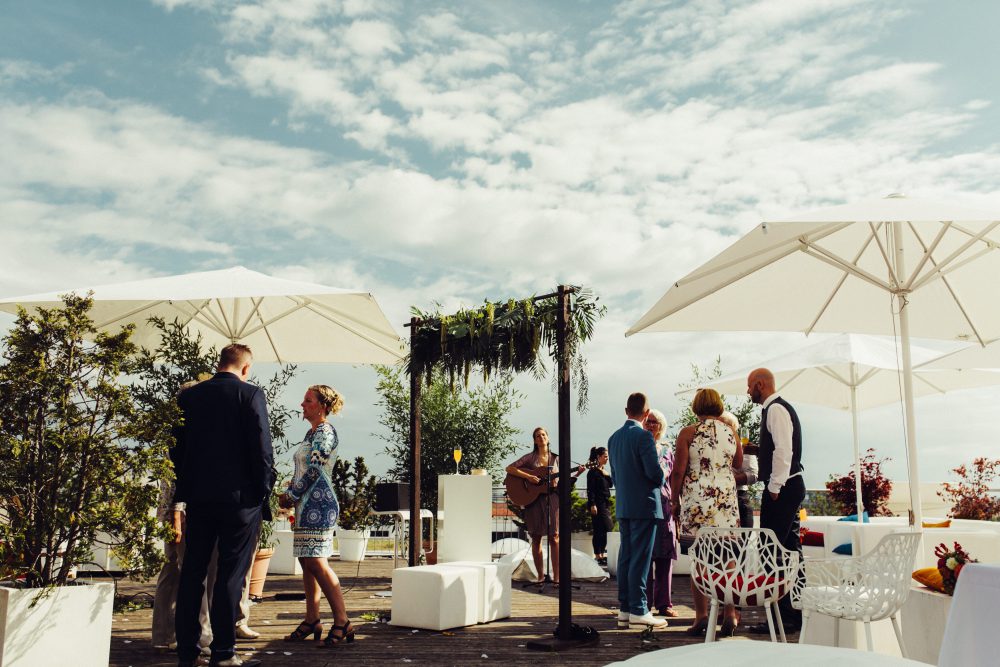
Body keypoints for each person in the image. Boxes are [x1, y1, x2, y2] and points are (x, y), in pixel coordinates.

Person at [173, 344, 274, 667]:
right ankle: (223, 652)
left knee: (192, 573)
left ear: (219, 364)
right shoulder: (250, 394)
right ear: (246, 368)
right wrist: (262, 492)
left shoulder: (189, 397)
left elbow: (176, 449)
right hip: (241, 501)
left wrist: (186, 488)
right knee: (230, 576)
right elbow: (262, 451)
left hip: (199, 498)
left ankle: (188, 651)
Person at [278, 385, 355, 647]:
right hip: (306, 505)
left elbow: (314, 470)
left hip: (319, 505)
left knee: (318, 563)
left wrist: (291, 495)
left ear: (322, 406)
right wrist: (291, 490)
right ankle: (312, 619)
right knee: (307, 563)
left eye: (307, 400)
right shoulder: (311, 432)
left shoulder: (324, 432)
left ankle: (343, 620)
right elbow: (304, 470)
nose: (302, 404)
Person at [670, 388, 742, 637]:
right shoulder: (731, 432)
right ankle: (730, 613)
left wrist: (674, 500)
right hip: (726, 502)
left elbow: (678, 470)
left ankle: (701, 615)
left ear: (696, 405)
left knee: (700, 560)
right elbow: (738, 464)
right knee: (728, 560)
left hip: (697, 501)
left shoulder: (688, 432)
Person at [746, 368, 805, 635]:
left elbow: (784, 450)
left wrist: (774, 486)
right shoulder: (776, 409)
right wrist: (758, 451)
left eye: (750, 386)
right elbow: (778, 448)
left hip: (783, 487)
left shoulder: (776, 409)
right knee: (790, 550)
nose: (748, 391)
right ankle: (795, 613)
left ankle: (784, 618)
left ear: (760, 384)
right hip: (789, 486)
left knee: (774, 551)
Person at [607, 392, 667, 629]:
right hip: (645, 506)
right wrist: (662, 472)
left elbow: (614, 473)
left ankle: (625, 608)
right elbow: (654, 474)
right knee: (640, 559)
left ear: (626, 411)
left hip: (623, 504)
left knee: (627, 556)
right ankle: (639, 610)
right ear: (646, 413)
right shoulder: (644, 437)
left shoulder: (613, 439)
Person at [506, 427, 564, 584]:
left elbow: (564, 479)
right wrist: (530, 476)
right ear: (534, 440)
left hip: (552, 498)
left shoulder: (556, 459)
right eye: (537, 436)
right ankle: (540, 576)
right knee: (536, 538)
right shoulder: (529, 458)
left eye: (543, 435)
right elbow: (510, 468)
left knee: (555, 537)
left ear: (548, 438)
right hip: (534, 501)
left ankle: (557, 577)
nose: (541, 437)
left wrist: (578, 472)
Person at [643, 409, 678, 618]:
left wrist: (676, 502)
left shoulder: (666, 449)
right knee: (646, 556)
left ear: (661, 427)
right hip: (644, 504)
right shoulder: (639, 448)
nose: (650, 425)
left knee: (665, 556)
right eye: (647, 422)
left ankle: (664, 603)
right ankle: (644, 602)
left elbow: (668, 475)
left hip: (664, 505)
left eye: (654, 422)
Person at [586, 446, 613, 566]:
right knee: (599, 530)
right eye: (605, 456)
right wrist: (592, 504)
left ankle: (602, 554)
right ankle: (598, 555)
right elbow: (590, 490)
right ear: (599, 457)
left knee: (606, 529)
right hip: (597, 504)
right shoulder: (592, 472)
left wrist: (606, 475)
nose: (607, 459)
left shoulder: (604, 472)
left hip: (605, 504)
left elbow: (611, 484)